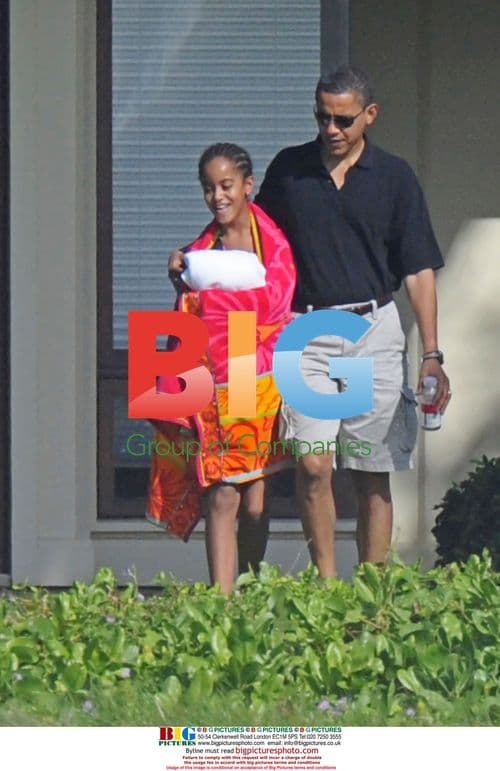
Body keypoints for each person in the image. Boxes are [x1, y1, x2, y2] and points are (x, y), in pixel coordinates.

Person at [255, 65, 451, 577]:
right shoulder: (289, 171)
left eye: (343, 119)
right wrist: (191, 259)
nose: (332, 130)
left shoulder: (394, 178)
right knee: (314, 465)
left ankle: (372, 592)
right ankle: (327, 589)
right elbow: (253, 242)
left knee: (371, 472)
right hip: (308, 328)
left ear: (370, 115)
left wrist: (431, 354)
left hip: (371, 330)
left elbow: (418, 270)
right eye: (322, 118)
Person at [148, 142, 296, 593]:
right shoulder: (199, 250)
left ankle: (248, 590)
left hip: (258, 378)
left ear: (248, 185)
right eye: (208, 188)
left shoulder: (272, 240)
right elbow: (185, 314)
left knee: (254, 502)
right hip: (212, 383)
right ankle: (221, 604)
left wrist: (215, 295)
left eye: (226, 185)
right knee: (222, 493)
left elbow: (277, 301)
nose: (218, 197)